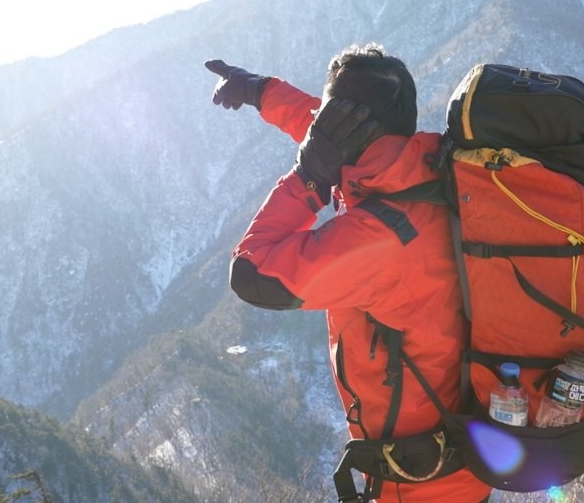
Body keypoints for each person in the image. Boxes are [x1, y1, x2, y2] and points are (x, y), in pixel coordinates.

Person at [206, 44, 491, 502]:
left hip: (418, 485)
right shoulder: (433, 169)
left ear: (348, 130)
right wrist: (260, 91)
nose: (319, 129)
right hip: (458, 467)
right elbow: (330, 130)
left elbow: (252, 273)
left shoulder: (377, 238)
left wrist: (309, 177)